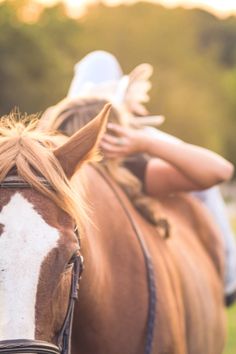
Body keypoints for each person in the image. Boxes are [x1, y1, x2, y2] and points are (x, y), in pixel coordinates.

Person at [43, 51, 236, 305]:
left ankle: (230, 274)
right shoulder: (59, 172)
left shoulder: (127, 170)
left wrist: (144, 142)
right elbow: (221, 170)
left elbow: (219, 170)